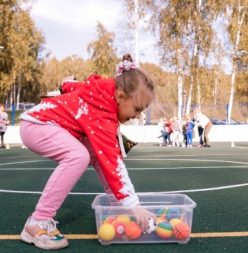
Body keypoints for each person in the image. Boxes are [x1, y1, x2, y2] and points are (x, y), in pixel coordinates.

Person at [19, 53, 156, 250]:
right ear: (120, 96)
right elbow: (114, 163)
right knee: (78, 156)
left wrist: (65, 85)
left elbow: (80, 87)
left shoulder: (103, 91)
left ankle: (117, 209)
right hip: (37, 126)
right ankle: (37, 222)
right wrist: (134, 205)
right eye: (136, 108)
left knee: (94, 153)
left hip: (43, 123)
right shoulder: (103, 115)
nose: (138, 115)